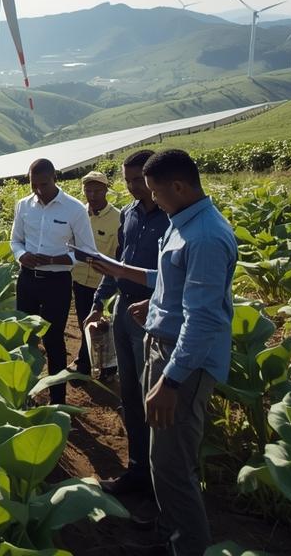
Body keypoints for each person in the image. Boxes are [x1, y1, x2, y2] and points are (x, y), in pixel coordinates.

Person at [87, 149, 236, 556]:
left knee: (173, 467)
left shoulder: (205, 236)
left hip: (181, 362)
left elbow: (203, 319)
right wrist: (139, 291)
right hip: (162, 344)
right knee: (160, 458)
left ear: (178, 186)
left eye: (154, 190)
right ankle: (169, 529)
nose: (149, 198)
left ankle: (187, 545)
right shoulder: (182, 221)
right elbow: (168, 279)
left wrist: (171, 381)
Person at [86, 149, 171, 496]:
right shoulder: (130, 214)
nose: (134, 187)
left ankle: (159, 475)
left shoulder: (171, 218)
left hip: (153, 314)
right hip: (124, 309)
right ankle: (137, 468)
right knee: (130, 392)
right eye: (128, 180)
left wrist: (156, 300)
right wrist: (98, 300)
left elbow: (175, 275)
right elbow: (119, 262)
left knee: (150, 389)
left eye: (139, 180)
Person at [10, 158, 98, 405]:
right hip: (27, 280)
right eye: (33, 184)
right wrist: (21, 255)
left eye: (43, 184)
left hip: (56, 282)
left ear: (55, 179)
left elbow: (87, 251)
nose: (38, 190)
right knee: (26, 338)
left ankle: (57, 399)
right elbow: (15, 240)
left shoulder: (74, 209)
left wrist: (54, 259)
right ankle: (25, 394)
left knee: (54, 339)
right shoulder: (23, 205)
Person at [72, 169, 120, 378]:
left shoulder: (118, 218)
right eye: (88, 190)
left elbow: (119, 255)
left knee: (105, 326)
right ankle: (84, 362)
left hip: (105, 282)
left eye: (97, 191)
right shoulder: (78, 215)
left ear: (105, 191)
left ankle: (109, 367)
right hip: (80, 278)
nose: (92, 195)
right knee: (85, 321)